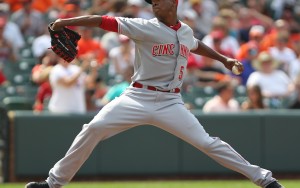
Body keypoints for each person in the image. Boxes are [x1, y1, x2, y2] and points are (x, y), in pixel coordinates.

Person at [25, 0, 284, 188]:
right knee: (92, 129)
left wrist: (223, 59)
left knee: (207, 143)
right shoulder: (143, 26)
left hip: (171, 102)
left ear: (173, 3)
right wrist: (65, 22)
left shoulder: (185, 31)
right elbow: (101, 21)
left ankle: (264, 179)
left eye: (158, 2)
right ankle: (53, 183)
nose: (153, 5)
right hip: (136, 97)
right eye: (152, 3)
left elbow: (195, 44)